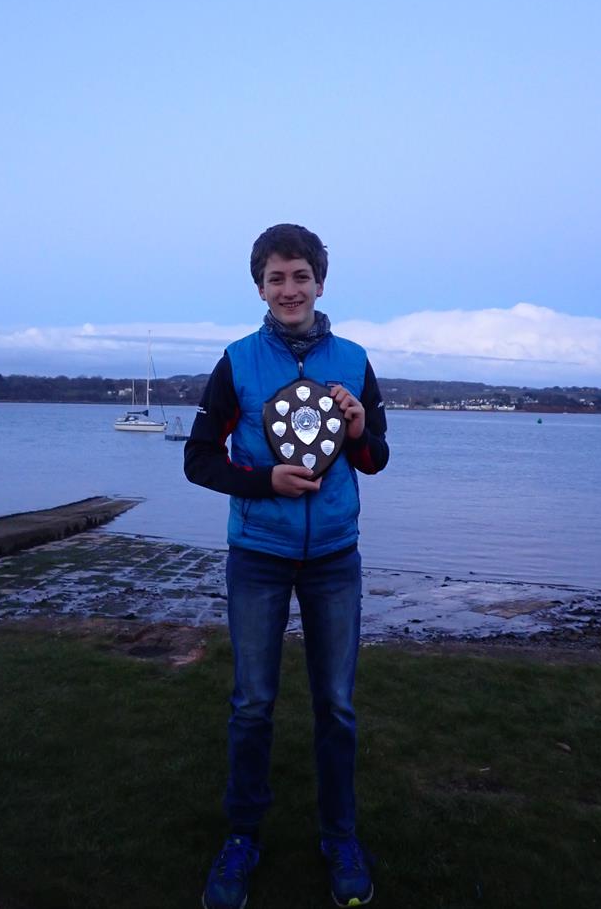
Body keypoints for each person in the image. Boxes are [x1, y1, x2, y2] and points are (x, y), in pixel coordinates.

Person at [184, 223, 389, 909]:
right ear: (261, 287)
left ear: (320, 282)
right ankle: (242, 835)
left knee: (337, 705)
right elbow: (199, 458)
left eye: (301, 275)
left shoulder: (355, 359)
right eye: (277, 277)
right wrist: (263, 480)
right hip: (259, 557)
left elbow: (375, 457)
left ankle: (340, 836)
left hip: (334, 558)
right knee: (252, 704)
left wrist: (360, 429)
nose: (290, 288)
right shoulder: (237, 362)